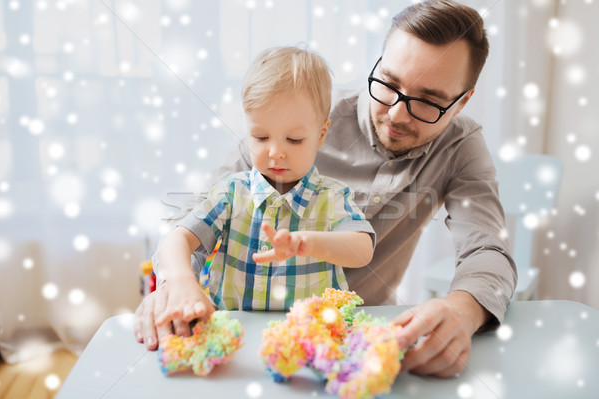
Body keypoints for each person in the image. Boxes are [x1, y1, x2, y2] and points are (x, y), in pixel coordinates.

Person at [134, 0, 517, 378]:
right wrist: (175, 286)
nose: (397, 113)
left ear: (462, 101)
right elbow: (194, 218)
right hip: (240, 335)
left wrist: (462, 309)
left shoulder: (461, 146)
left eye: (428, 101)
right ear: (378, 61)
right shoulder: (297, 112)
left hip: (348, 336)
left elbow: (487, 248)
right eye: (389, 83)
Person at [152, 46, 375, 329]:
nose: (275, 153)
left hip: (311, 336)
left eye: (294, 139)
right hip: (235, 334)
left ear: (320, 135)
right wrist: (183, 281)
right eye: (260, 136)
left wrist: (307, 243)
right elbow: (176, 240)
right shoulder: (231, 193)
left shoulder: (332, 196)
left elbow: (362, 250)